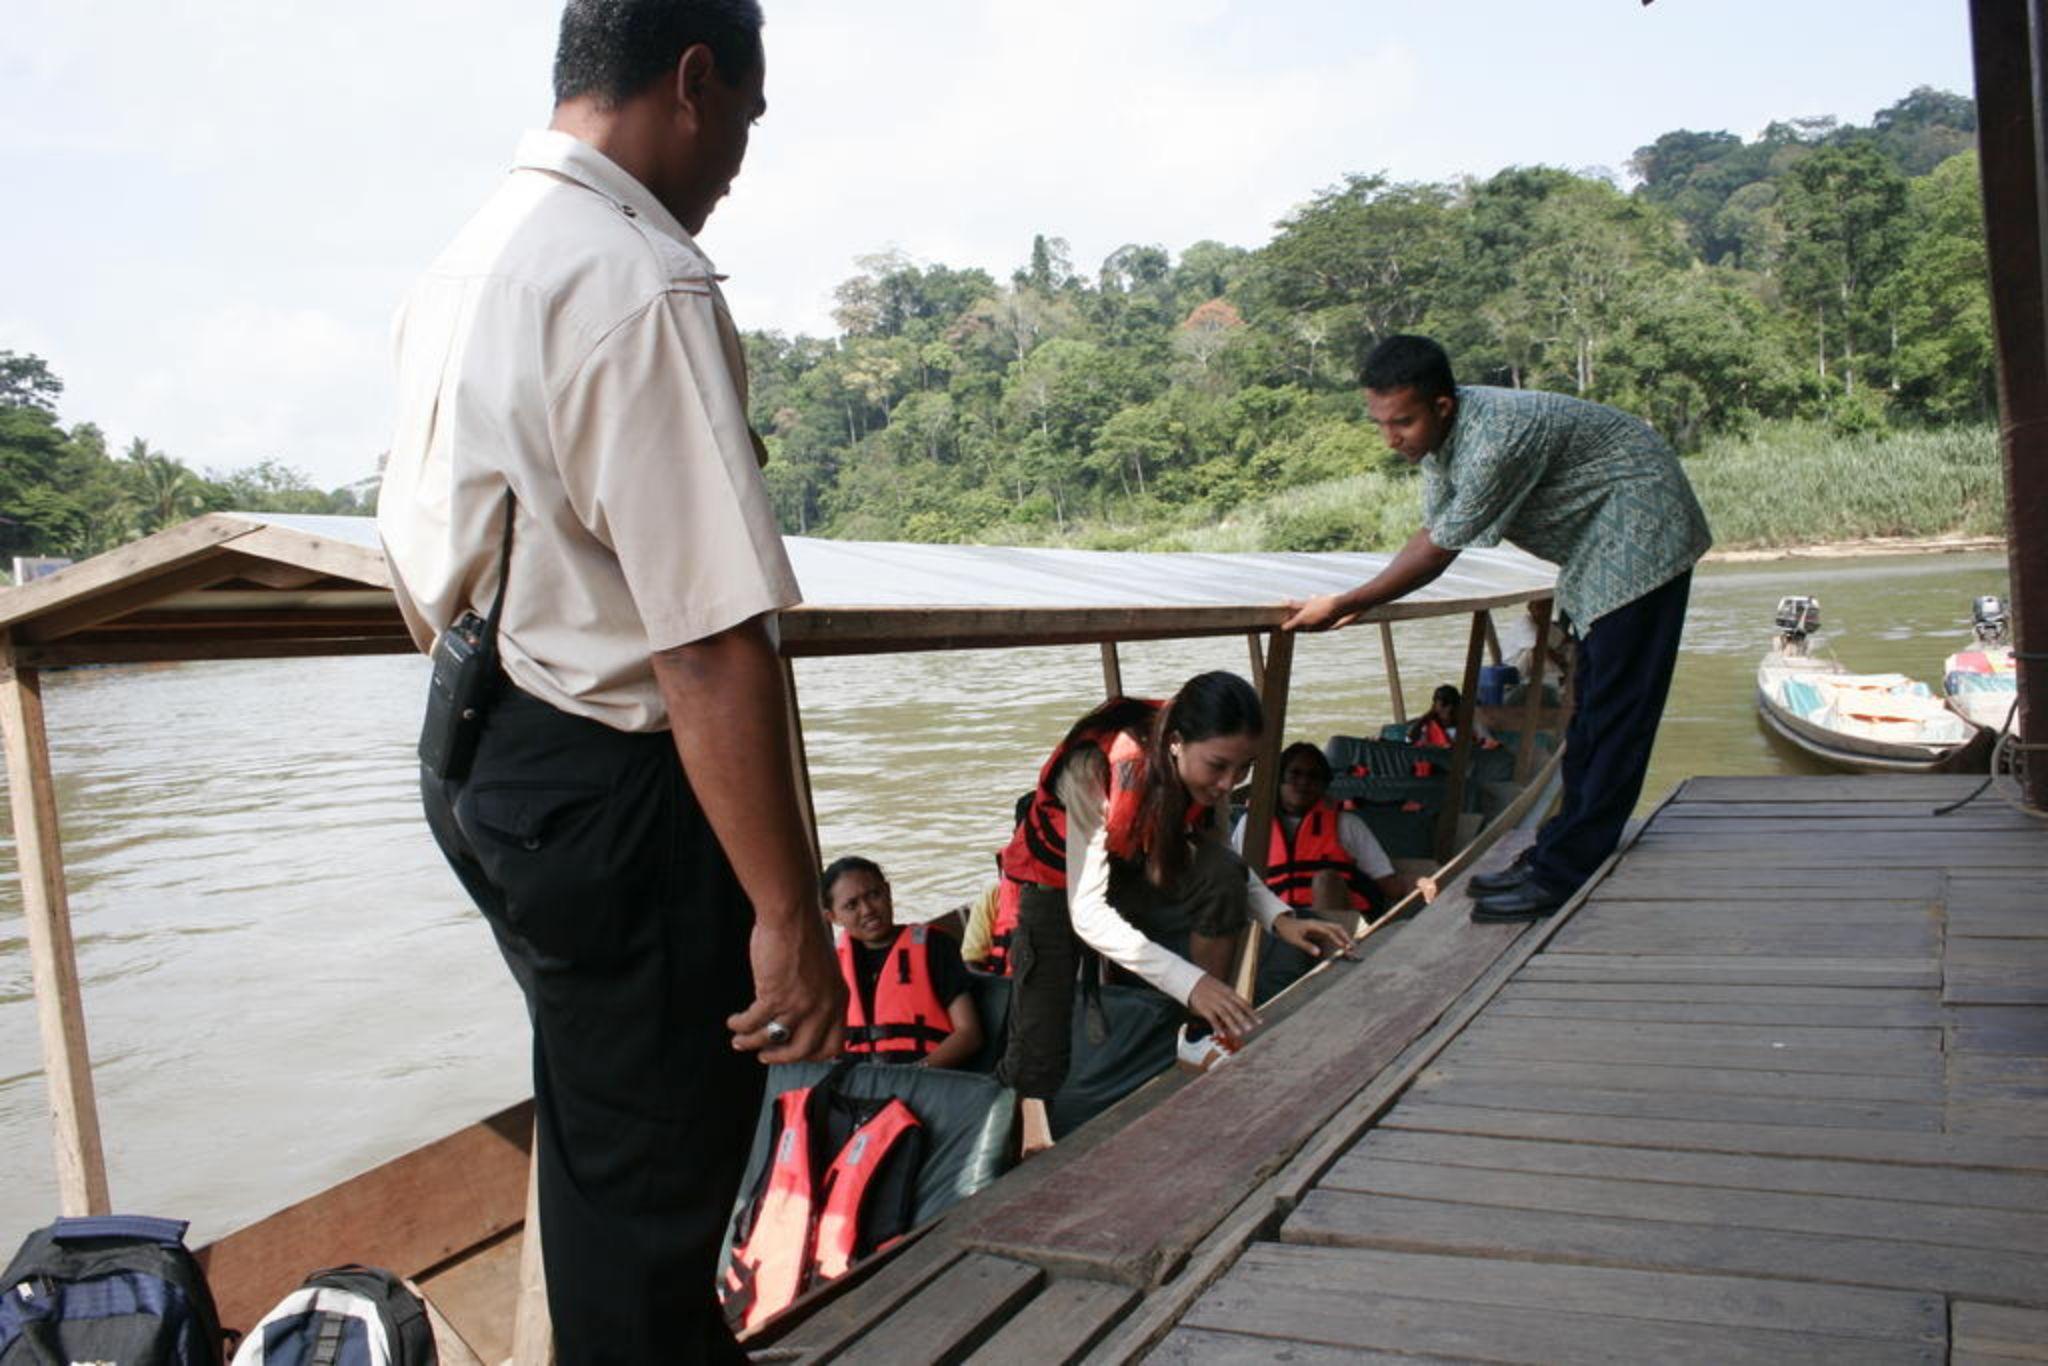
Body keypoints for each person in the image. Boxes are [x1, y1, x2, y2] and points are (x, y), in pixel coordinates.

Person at [376, 3, 843, 1360]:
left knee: (600, 1142)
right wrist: (787, 910)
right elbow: (704, 641)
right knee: (657, 1202)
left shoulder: (465, 265)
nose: (739, 163)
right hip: (610, 783)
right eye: (746, 124)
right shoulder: (636, 275)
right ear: (694, 81)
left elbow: (428, 555)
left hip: (478, 755)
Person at [1284, 334, 1710, 923]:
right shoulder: (1442, 445)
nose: (1390, 439)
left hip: (1642, 529)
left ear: (1442, 406)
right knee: (1587, 709)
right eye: (1380, 423)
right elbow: (1430, 533)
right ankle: (1555, 852)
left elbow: (1439, 552)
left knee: (1616, 710)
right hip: (1596, 544)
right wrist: (1358, 600)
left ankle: (1565, 872)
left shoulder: (1493, 440)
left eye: (1402, 422)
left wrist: (1346, 603)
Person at [997, 672, 1351, 1147]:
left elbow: (1225, 865)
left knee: (1221, 875)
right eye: (1218, 766)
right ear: (1177, 744)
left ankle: (1201, 1033)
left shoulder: (1204, 783)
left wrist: (1281, 918)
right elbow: (1087, 913)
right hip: (1057, 887)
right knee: (1038, 1053)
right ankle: (1010, 1155)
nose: (1229, 784)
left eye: (1243, 768)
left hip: (1136, 866)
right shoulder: (1093, 770)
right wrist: (1193, 982)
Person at [1230, 742, 1413, 999]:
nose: (1303, 783)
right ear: (1279, 778)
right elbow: (1236, 881)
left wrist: (1422, 885)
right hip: (1275, 927)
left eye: (1313, 776)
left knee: (1326, 880)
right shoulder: (1253, 824)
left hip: (1332, 932)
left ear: (1324, 785)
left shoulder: (1347, 825)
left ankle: (1330, 977)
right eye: (1295, 774)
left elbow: (1389, 883)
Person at [824, 856, 984, 1069]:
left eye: (874, 895)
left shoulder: (935, 946)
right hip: (857, 1087)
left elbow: (969, 1033)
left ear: (888, 891)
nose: (867, 909)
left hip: (925, 1083)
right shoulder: (830, 965)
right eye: (851, 905)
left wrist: (914, 1073)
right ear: (832, 917)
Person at [1407, 684, 1495, 749]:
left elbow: (1488, 743)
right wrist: (1427, 716)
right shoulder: (1427, 724)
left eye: (1453, 709)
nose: (1448, 713)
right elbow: (1410, 739)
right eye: (1443, 709)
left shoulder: (1471, 722)